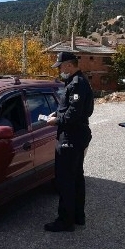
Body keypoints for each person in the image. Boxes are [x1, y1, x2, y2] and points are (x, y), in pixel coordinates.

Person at [44, 51, 94, 232]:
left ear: (68, 65)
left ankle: (65, 220)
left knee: (66, 180)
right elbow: (69, 109)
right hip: (75, 135)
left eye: (60, 67)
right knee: (76, 178)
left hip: (71, 136)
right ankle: (78, 216)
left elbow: (75, 113)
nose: (59, 71)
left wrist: (57, 120)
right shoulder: (75, 82)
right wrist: (56, 114)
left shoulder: (77, 84)